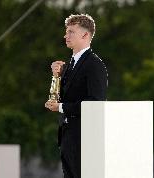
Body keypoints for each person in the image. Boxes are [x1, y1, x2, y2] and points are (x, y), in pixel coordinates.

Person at [44, 14, 108, 178]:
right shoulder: (69, 64)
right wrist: (56, 76)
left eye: (71, 32)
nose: (66, 36)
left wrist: (61, 107)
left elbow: (96, 102)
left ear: (85, 35)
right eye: (66, 31)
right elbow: (62, 97)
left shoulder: (95, 65)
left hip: (84, 138)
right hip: (67, 136)